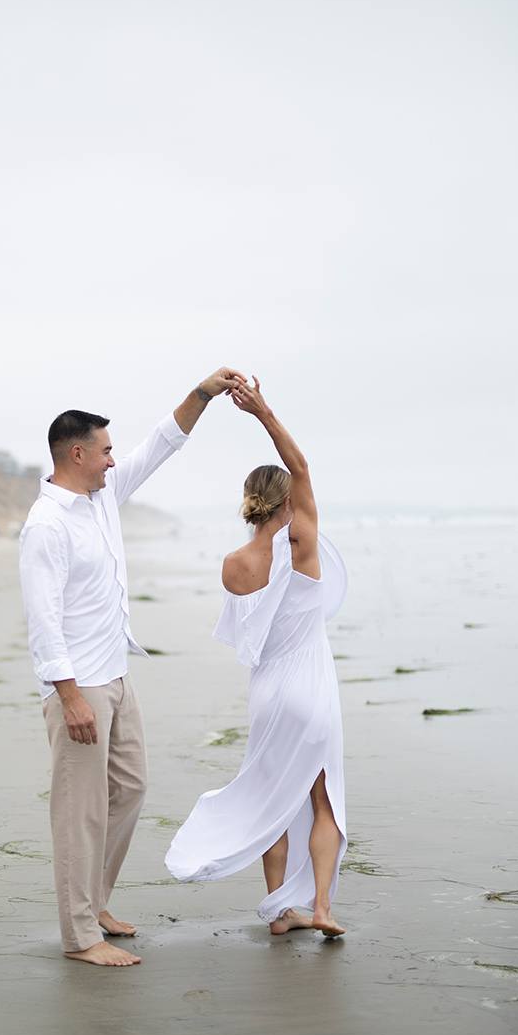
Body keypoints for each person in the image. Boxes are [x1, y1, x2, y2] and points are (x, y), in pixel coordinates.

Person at [19, 367, 246, 967]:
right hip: (79, 685)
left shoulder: (102, 502)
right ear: (76, 453)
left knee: (130, 789)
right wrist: (68, 696)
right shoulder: (47, 526)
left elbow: (161, 445)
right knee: (80, 812)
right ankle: (79, 936)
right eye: (105, 451)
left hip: (116, 674)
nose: (115, 461)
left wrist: (203, 394)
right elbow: (41, 620)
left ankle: (94, 905)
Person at [165, 376, 349, 937]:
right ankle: (319, 907)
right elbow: (304, 465)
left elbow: (248, 630)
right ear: (289, 500)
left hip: (268, 693)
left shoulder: (234, 563)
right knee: (323, 801)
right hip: (310, 687)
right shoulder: (304, 542)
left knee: (272, 797)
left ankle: (278, 911)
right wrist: (263, 411)